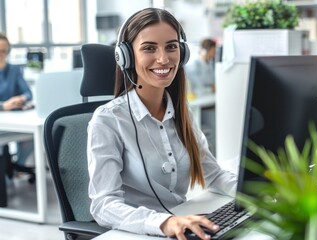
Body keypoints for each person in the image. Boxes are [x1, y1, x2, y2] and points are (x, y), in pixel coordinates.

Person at [87, 8, 237, 240]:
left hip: (180, 225)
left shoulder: (180, 112)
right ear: (125, 56)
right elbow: (103, 204)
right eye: (149, 48)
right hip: (137, 231)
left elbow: (214, 176)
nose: (164, 59)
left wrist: (260, 191)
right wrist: (164, 222)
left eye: (171, 46)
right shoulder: (108, 120)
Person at [0, 33, 34, 171]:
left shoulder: (14, 70)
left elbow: (28, 93)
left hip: (14, 118)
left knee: (31, 136)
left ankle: (18, 165)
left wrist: (21, 98)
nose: (1, 54)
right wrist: (3, 106)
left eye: (4, 51)